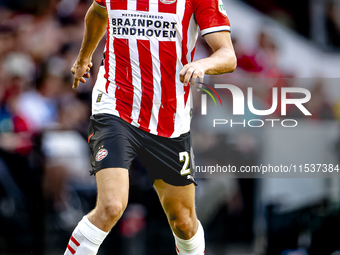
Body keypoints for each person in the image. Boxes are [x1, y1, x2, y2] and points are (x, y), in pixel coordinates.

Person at [64, 0, 236, 254]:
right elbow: (98, 12)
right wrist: (84, 57)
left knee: (184, 221)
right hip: (115, 106)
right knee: (111, 205)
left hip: (169, 117)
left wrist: (203, 64)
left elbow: (227, 55)